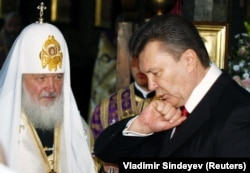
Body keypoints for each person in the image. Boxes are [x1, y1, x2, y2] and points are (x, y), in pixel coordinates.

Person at [94, 13, 250, 164]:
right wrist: (142, 126)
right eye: (146, 76)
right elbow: (106, 152)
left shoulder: (240, 115)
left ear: (189, 60)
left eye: (155, 73)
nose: (150, 85)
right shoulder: (169, 108)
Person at [0, 3, 96, 173]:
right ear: (20, 78)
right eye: (41, 78)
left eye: (58, 77)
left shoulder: (79, 131)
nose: (51, 88)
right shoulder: (3, 124)